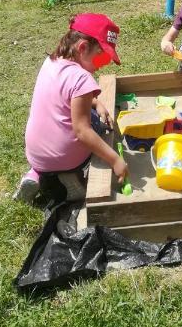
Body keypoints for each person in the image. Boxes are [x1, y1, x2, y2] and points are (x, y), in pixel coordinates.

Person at [13, 13, 128, 205]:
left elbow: (65, 95)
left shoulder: (51, 61)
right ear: (82, 48)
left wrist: (96, 102)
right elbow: (82, 131)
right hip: (66, 158)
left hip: (36, 154)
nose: (100, 66)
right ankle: (72, 179)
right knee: (97, 126)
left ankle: (34, 174)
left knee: (65, 117)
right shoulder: (82, 78)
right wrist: (115, 160)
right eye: (100, 58)